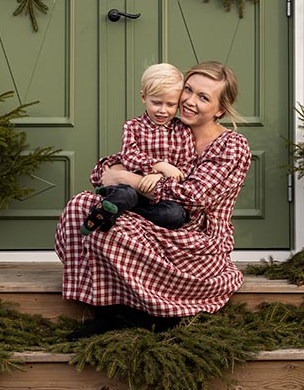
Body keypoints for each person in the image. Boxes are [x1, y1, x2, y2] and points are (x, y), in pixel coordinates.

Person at [55, 61, 251, 339]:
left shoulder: (231, 146)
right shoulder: (164, 127)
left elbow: (194, 197)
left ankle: (135, 313)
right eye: (188, 90)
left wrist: (133, 181)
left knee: (111, 228)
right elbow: (110, 168)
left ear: (219, 109)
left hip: (193, 234)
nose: (189, 101)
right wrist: (113, 173)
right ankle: (106, 308)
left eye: (203, 97)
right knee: (81, 205)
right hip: (149, 215)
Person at [81, 63, 194, 235]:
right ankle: (103, 212)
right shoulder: (133, 126)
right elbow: (129, 157)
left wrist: (158, 177)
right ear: (143, 97)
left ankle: (114, 215)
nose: (163, 110)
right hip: (131, 188)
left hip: (158, 196)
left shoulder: (183, 131)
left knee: (175, 214)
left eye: (171, 105)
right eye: (156, 103)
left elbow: (183, 169)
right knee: (126, 195)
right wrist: (159, 165)